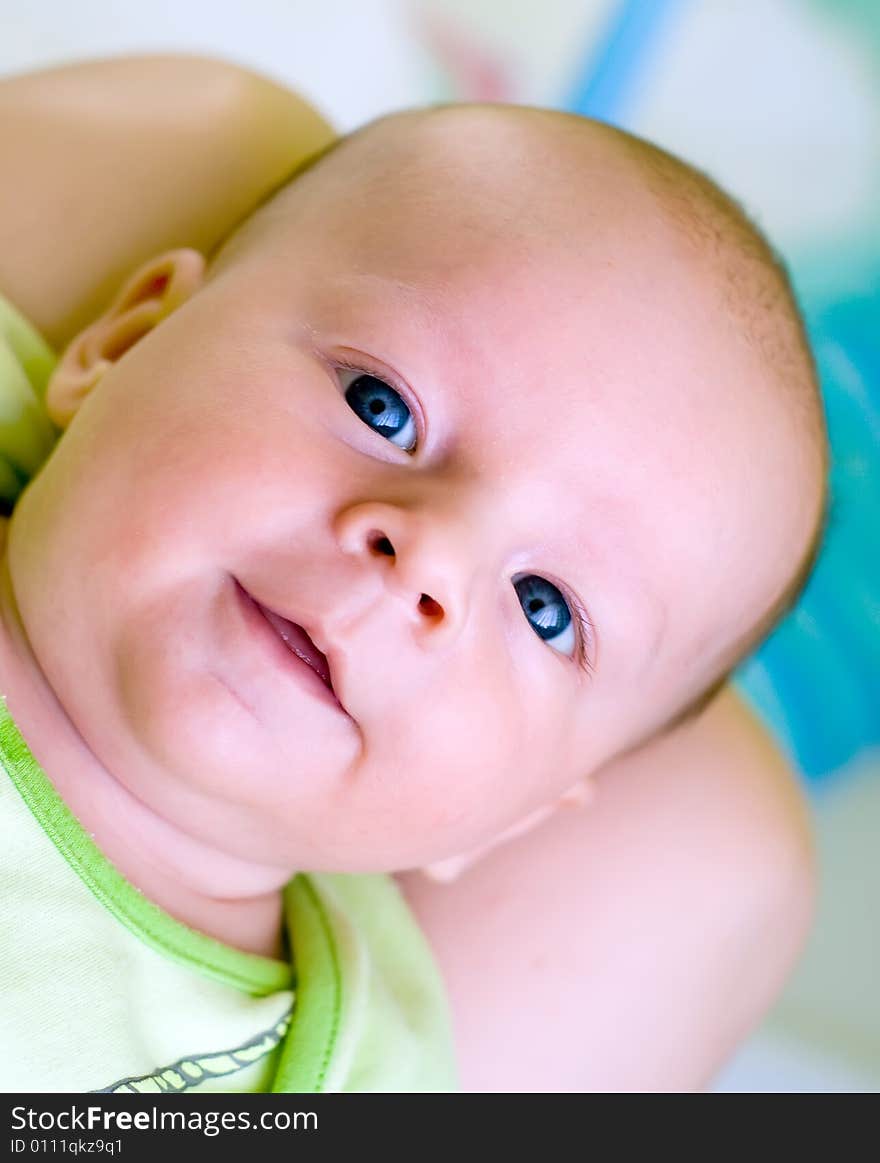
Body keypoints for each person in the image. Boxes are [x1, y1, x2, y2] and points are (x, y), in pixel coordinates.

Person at [0, 54, 826, 1092]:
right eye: (382, 407)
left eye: (543, 607)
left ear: (517, 814)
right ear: (127, 337)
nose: (426, 553)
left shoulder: (332, 1076)